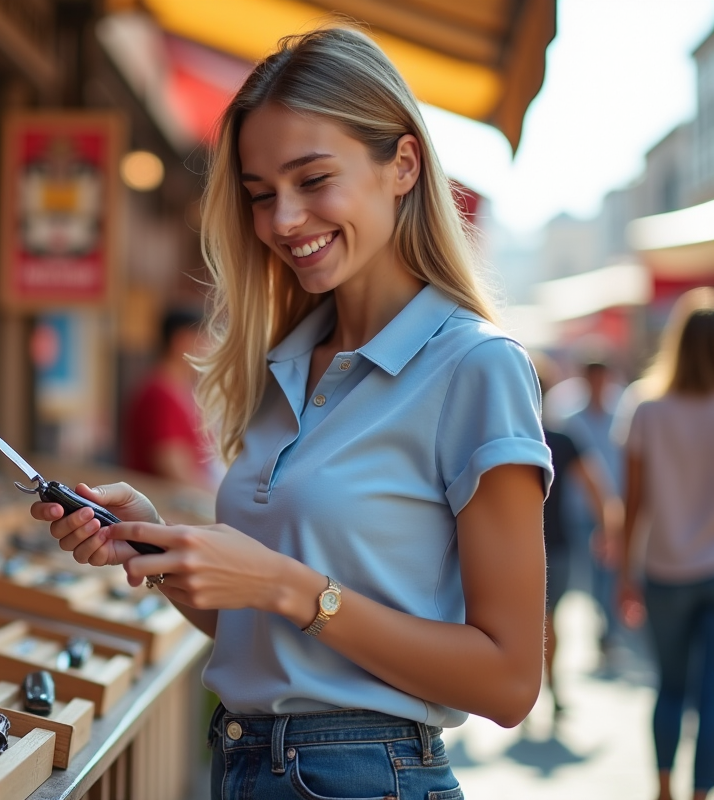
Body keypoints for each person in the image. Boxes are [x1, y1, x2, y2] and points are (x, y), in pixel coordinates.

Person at [32, 27, 553, 799]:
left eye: (312, 180)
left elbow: (510, 683)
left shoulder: (476, 368)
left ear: (402, 164)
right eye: (259, 194)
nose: (281, 220)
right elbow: (274, 636)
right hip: (243, 763)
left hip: (367, 777)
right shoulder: (283, 363)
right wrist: (164, 551)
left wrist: (289, 585)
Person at [618, 288, 714, 800]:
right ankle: (703, 792)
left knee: (670, 687)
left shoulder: (645, 406)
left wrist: (625, 575)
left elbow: (634, 503)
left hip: (663, 569)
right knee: (713, 693)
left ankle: (663, 789)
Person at [532, 353, 623, 722]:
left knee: (531, 622)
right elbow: (598, 489)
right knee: (552, 620)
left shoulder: (492, 437)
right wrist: (608, 529)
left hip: (513, 548)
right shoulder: (562, 439)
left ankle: (535, 689)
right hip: (555, 544)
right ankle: (548, 687)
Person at [122, 309, 215, 490]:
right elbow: (174, 470)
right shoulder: (160, 394)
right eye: (204, 339)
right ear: (181, 341)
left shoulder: (178, 389)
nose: (210, 347)